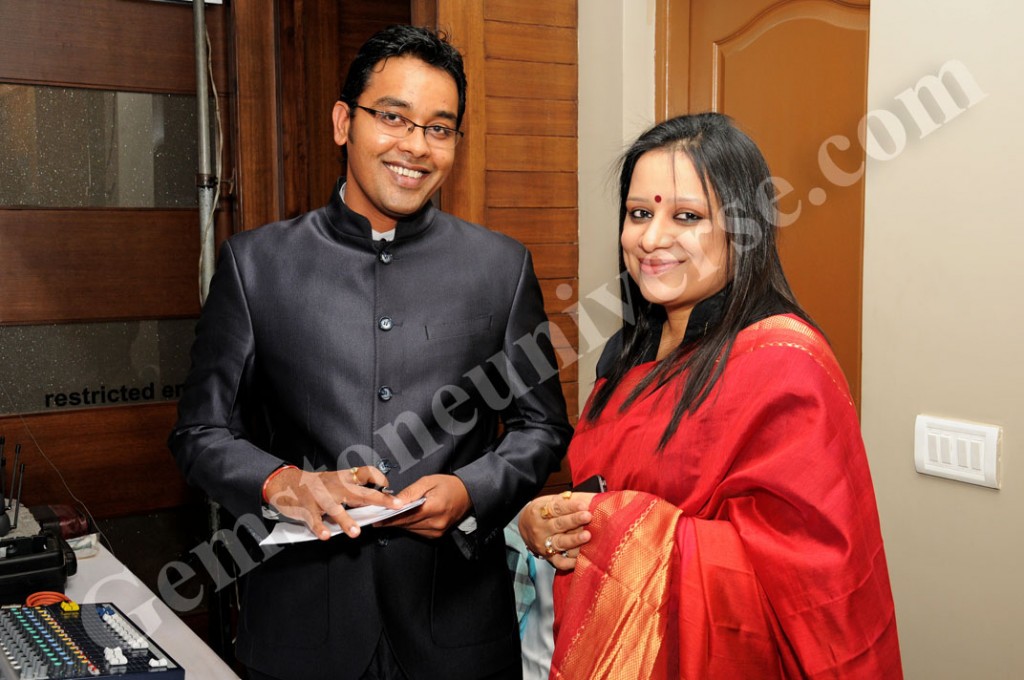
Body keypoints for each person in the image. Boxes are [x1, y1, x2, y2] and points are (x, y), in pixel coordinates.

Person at [169, 25, 572, 680]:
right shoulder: (256, 265)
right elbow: (199, 433)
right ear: (343, 122)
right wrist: (281, 482)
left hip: (459, 633)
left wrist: (469, 491)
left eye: (439, 128)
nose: (415, 145)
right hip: (300, 632)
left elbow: (543, 427)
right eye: (392, 117)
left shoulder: (501, 267)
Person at [519, 113, 902, 678]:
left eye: (687, 217)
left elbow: (813, 590)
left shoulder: (784, 364)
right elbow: (599, 488)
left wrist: (619, 525)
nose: (652, 238)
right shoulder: (625, 352)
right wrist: (544, 523)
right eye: (639, 213)